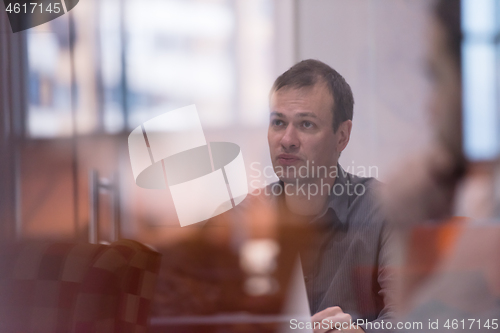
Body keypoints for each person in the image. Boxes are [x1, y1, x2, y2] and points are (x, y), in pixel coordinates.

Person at [265, 59, 394, 333]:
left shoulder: (385, 208)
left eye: (306, 124)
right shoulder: (244, 218)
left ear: (342, 136)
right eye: (278, 122)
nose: (287, 139)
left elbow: (415, 319)